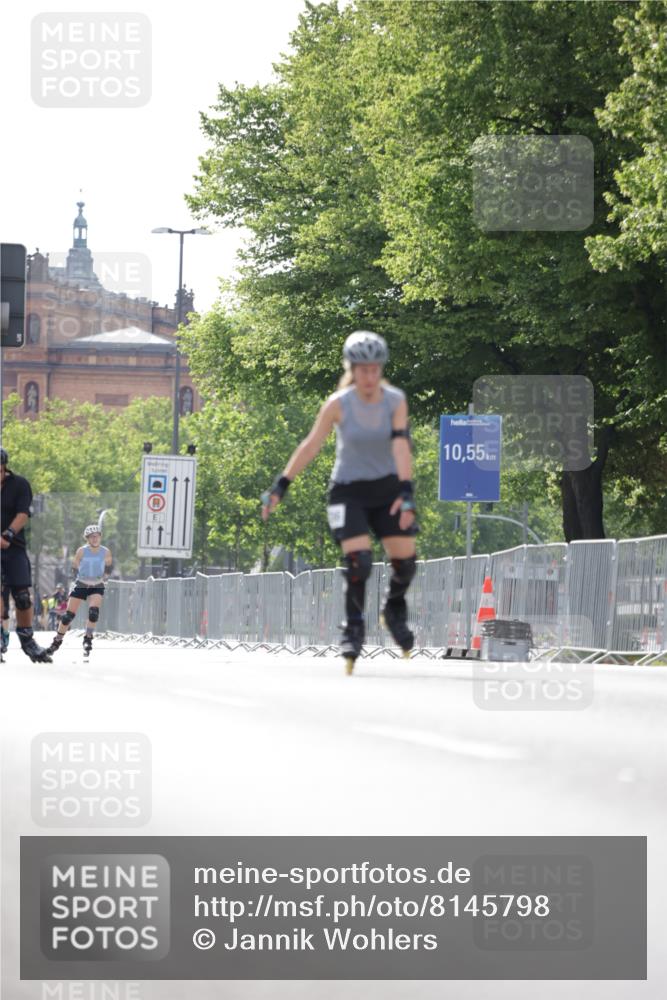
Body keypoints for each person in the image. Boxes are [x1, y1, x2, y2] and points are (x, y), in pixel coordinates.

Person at [262, 331, 418, 672]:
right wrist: (281, 486)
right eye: (363, 370)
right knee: (358, 561)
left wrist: (406, 493)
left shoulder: (395, 401)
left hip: (388, 488)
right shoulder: (338, 404)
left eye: (376, 369)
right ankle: (353, 628)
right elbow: (312, 444)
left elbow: (400, 446)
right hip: (347, 490)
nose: (369, 377)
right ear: (351, 369)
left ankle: (393, 609)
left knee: (406, 563)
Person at [0, 448, 52, 662]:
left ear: (3, 467)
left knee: (22, 596)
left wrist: (8, 534)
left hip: (14, 547)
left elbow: (23, 514)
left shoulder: (20, 485)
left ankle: (28, 641)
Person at [46, 524, 113, 658]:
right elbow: (75, 566)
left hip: (97, 584)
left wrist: (105, 577)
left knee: (94, 613)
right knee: (68, 616)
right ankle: (57, 641)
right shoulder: (82, 551)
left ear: (100, 537)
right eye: (91, 537)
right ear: (87, 539)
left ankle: (87, 640)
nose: (94, 539)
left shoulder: (105, 551)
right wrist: (76, 576)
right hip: (81, 583)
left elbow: (109, 566)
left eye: (97, 536)